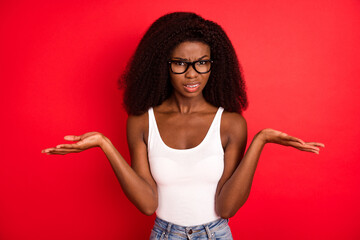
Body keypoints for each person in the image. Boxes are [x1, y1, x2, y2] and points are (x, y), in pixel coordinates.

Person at [41, 12, 324, 239]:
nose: (192, 74)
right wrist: (105, 145)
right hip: (164, 234)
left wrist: (260, 140)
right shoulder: (142, 121)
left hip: (216, 234)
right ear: (163, 65)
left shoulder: (230, 124)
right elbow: (148, 204)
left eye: (202, 63)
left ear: (215, 65)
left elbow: (227, 207)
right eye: (180, 63)